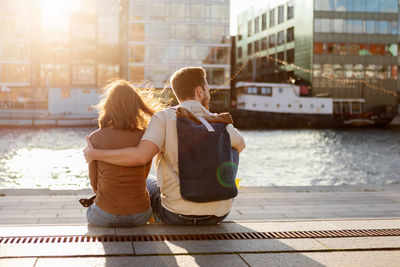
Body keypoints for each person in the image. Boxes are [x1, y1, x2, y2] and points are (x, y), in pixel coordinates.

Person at [84, 67, 246, 225]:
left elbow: (141, 157)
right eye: (208, 90)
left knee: (148, 181)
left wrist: (95, 154)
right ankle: (219, 197)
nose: (209, 94)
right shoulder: (219, 121)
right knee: (232, 147)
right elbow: (240, 145)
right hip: (219, 214)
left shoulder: (164, 118)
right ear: (200, 91)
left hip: (177, 215)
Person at [85, 79, 163, 227]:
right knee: (150, 182)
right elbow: (144, 176)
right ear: (136, 107)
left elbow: (94, 184)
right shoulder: (145, 137)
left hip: (104, 215)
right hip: (139, 215)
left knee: (91, 211)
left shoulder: (94, 137)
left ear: (108, 106)